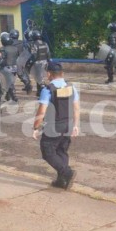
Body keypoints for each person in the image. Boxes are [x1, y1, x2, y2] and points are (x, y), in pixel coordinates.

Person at [33, 61, 80, 190]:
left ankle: (67, 172)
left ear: (49, 74)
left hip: (53, 127)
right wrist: (75, 126)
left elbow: (42, 111)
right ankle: (61, 180)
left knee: (48, 152)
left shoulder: (47, 90)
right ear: (62, 74)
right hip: (68, 125)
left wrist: (36, 127)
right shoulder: (72, 88)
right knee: (61, 151)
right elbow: (76, 109)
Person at [11, 29, 32, 95]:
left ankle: (11, 91)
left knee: (13, 75)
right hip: (23, 60)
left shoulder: (10, 43)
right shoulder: (22, 42)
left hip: (14, 61)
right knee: (23, 74)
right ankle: (28, 85)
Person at [30, 29, 51, 96]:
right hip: (45, 63)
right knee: (40, 77)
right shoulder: (45, 43)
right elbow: (48, 54)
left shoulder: (34, 45)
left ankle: (42, 93)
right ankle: (39, 92)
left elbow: (34, 55)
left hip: (37, 63)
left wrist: (31, 62)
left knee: (39, 78)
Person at [0, 32, 19, 102]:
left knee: (8, 82)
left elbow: (1, 59)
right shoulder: (15, 48)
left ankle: (14, 96)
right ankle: (8, 96)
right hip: (15, 67)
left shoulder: (2, 49)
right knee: (10, 82)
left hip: (6, 68)